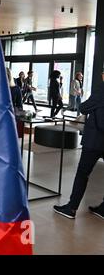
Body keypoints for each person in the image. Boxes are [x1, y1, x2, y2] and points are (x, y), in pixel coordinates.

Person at [53, 82, 104, 219]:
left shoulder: (101, 90)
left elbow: (83, 107)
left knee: (82, 173)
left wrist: (94, 108)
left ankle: (71, 208)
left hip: (95, 141)